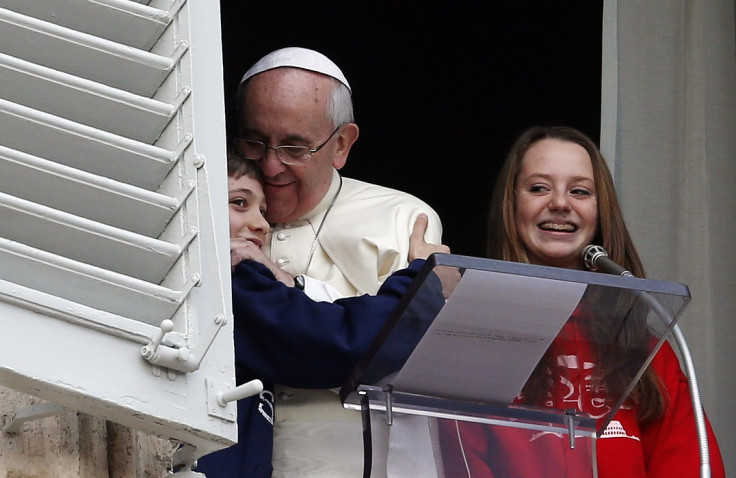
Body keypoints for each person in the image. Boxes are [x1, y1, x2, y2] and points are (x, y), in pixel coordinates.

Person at [437, 126, 725, 477]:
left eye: (579, 191)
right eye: (539, 188)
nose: (560, 203)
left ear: (601, 211)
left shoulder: (643, 348)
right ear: (511, 204)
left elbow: (686, 465)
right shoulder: (474, 340)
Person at [232, 47, 444, 476]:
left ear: (342, 144)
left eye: (293, 147)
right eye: (255, 141)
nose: (271, 165)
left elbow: (395, 355)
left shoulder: (404, 219)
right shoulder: (222, 222)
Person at [194, 153, 448, 477]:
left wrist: (277, 277)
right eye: (240, 203)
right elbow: (347, 342)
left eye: (263, 211)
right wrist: (421, 281)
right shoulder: (225, 282)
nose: (260, 224)